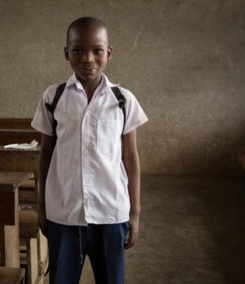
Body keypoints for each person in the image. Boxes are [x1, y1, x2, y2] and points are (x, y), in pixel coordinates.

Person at [31, 16, 148, 284]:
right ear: (66, 53)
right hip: (65, 213)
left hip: (111, 213)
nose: (88, 59)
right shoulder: (54, 97)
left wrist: (135, 214)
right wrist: (42, 206)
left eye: (97, 50)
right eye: (78, 51)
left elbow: (130, 157)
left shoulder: (122, 99)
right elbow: (46, 153)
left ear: (109, 53)